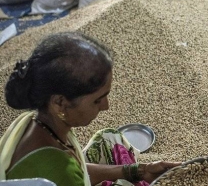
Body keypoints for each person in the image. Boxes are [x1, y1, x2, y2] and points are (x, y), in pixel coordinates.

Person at [0, 32, 180, 186]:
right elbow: (70, 173)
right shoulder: (60, 173)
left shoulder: (38, 121)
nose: (106, 106)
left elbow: (79, 169)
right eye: (97, 100)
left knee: (109, 138)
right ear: (60, 103)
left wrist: (139, 171)